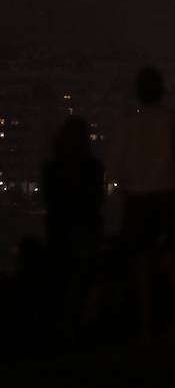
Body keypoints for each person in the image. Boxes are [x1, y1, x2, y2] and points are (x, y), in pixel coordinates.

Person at [109, 66, 175, 339]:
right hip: (168, 199)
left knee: (140, 265)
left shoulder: (127, 125)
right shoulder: (172, 120)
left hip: (139, 202)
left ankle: (145, 322)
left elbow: (115, 170)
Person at [42, 116, 104, 337]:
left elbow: (51, 201)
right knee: (81, 281)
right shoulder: (93, 168)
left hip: (59, 232)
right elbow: (96, 201)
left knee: (62, 281)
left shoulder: (52, 169)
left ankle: (61, 328)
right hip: (85, 232)